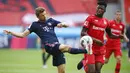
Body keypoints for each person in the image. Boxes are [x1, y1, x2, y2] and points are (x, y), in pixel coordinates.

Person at [3, 7, 90, 73]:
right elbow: (22, 35)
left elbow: (66, 24)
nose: (45, 16)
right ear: (38, 16)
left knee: (62, 71)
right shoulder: (34, 25)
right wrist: (11, 32)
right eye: (42, 15)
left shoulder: (51, 20)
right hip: (49, 46)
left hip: (56, 46)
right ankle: (87, 51)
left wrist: (62, 24)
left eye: (45, 14)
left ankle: (86, 52)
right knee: (66, 47)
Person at [77, 1, 125, 73]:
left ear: (104, 10)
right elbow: (83, 33)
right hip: (90, 48)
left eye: (101, 9)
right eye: (98, 8)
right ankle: (84, 61)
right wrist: (96, 40)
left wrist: (118, 36)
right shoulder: (90, 18)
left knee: (98, 71)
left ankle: (85, 60)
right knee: (91, 71)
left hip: (100, 49)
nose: (99, 10)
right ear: (96, 8)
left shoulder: (106, 22)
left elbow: (110, 35)